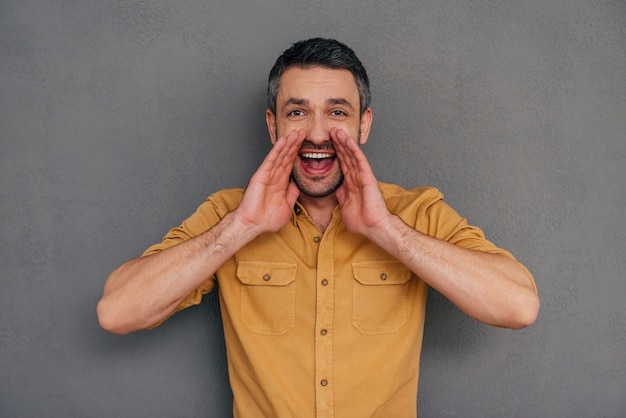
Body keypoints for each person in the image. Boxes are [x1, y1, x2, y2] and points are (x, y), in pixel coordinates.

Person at [97, 38, 539, 417]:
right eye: (296, 113)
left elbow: (518, 306)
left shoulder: (415, 212)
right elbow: (117, 312)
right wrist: (241, 227)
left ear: (363, 123)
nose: (316, 133)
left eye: (337, 113)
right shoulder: (228, 214)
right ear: (273, 125)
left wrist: (388, 231)